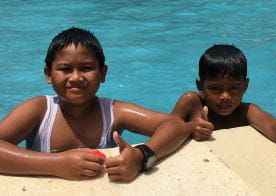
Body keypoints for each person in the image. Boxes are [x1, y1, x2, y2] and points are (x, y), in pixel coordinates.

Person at [0, 27, 189, 181]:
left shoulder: (114, 112)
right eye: (65, 69)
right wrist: (56, 164)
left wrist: (141, 157)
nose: (75, 77)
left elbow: (177, 125)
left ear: (103, 73)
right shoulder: (39, 110)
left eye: (87, 68)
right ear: (48, 74)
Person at [171, 44, 276, 151]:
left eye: (234, 88)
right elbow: (165, 128)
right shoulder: (192, 103)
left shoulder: (246, 112)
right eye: (215, 88)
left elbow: (273, 127)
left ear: (245, 86)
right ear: (200, 85)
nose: (225, 96)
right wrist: (188, 128)